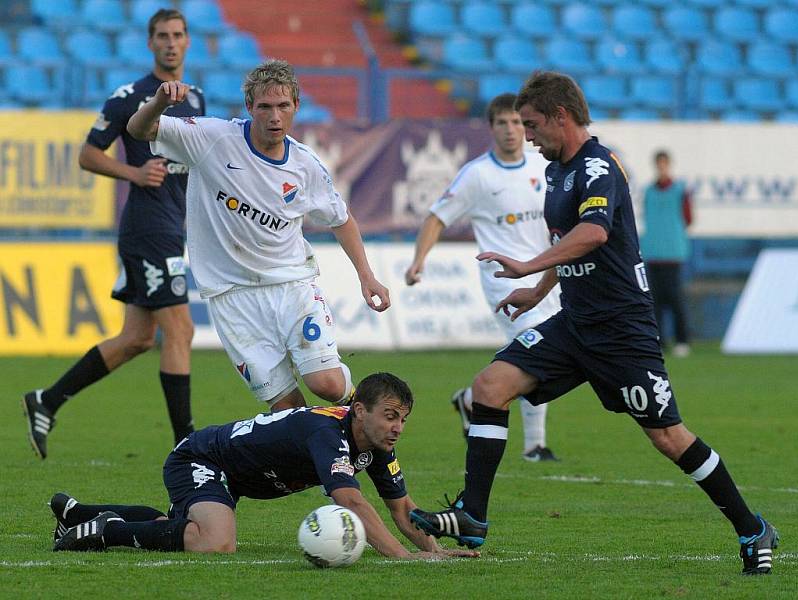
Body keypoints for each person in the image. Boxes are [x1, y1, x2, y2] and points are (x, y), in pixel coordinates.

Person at [408, 71, 778, 576]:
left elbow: (593, 234)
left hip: (622, 330)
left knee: (668, 437)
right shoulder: (558, 170)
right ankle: (473, 516)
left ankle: (753, 528)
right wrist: (538, 291)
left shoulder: (599, 167)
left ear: (562, 117)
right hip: (574, 321)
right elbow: (569, 241)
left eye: (534, 125)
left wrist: (529, 266)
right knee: (489, 387)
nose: (529, 135)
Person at [125, 60, 389, 412]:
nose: (274, 116)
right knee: (288, 411)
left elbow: (341, 219)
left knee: (326, 385)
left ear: (296, 106)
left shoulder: (306, 165)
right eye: (265, 107)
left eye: (283, 106)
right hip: (232, 296)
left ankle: (364, 423)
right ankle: (328, 461)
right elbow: (138, 130)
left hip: (292, 285)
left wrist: (366, 275)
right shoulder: (213, 137)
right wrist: (158, 102)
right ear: (249, 108)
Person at [22, 9, 203, 459]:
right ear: (149, 42)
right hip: (147, 230)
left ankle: (48, 400)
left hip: (172, 228)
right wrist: (133, 173)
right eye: (162, 35)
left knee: (139, 338)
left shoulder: (196, 99)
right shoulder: (129, 96)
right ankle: (187, 445)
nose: (170, 42)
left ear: (188, 42)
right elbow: (87, 154)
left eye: (178, 35)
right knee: (180, 330)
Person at [51, 373, 478, 561]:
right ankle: (106, 532)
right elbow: (349, 500)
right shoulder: (327, 431)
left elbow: (403, 511)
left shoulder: (377, 444)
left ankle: (78, 514)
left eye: (403, 418)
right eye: (390, 415)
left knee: (183, 529)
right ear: (359, 409)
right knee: (215, 543)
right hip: (201, 458)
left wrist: (435, 551)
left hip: (234, 475)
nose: (397, 427)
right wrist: (402, 557)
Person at [404, 93, 561, 462]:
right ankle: (535, 446)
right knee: (537, 351)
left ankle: (472, 400)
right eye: (503, 123)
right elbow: (436, 217)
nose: (511, 130)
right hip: (503, 280)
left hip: (544, 277)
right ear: (491, 128)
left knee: (546, 356)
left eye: (517, 123)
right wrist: (419, 261)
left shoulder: (542, 165)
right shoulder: (477, 174)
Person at [640, 150, 692, 358]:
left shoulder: (680, 190)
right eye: (658, 164)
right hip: (653, 251)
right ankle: (660, 340)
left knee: (676, 299)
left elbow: (688, 218)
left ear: (668, 165)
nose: (661, 167)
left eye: (664, 164)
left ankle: (682, 340)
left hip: (672, 252)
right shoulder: (649, 191)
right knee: (656, 301)